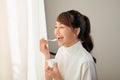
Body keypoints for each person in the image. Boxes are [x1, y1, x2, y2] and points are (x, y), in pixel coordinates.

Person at [40, 10, 97, 80]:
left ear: (76, 31)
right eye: (56, 27)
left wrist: (59, 78)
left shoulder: (86, 61)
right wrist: (46, 55)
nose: (56, 32)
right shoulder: (61, 50)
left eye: (61, 27)